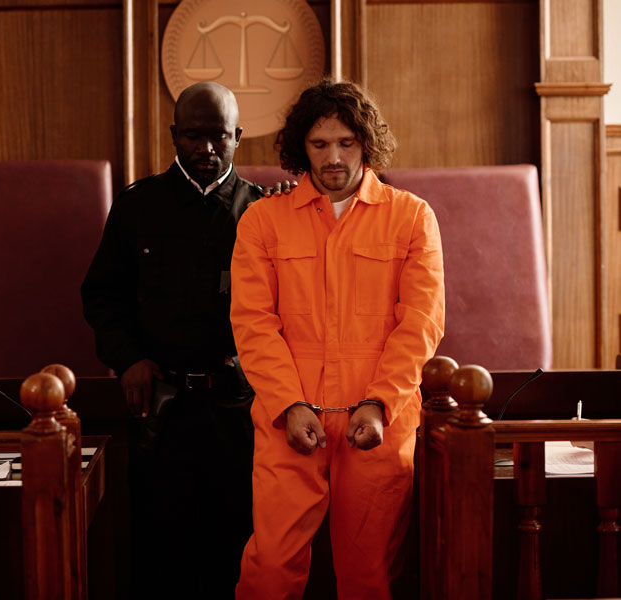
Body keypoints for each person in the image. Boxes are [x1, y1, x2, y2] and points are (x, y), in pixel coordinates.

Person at [230, 79, 446, 599]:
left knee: (369, 574)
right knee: (269, 569)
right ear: (300, 147)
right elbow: (253, 324)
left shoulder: (412, 216)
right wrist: (288, 403)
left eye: (347, 143)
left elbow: (421, 322)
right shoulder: (263, 220)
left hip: (379, 418)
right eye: (320, 144)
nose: (333, 158)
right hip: (288, 417)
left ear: (366, 143)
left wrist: (380, 402)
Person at [80, 81, 262, 598]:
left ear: (238, 137)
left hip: (239, 410)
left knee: (237, 551)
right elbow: (102, 297)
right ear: (174, 134)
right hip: (161, 409)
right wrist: (128, 359)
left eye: (219, 136)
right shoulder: (137, 206)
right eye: (193, 135)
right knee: (161, 557)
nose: (206, 148)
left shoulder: (261, 211)